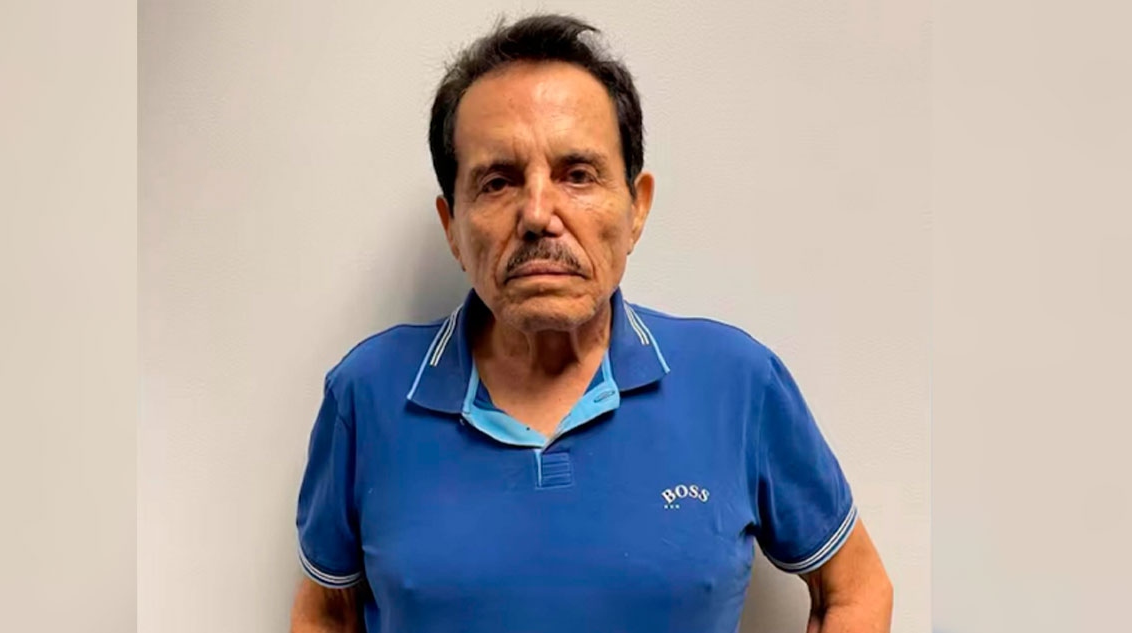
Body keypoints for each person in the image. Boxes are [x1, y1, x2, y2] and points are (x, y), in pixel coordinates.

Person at [289, 13, 892, 633]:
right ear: (452, 226)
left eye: (577, 175)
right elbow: (325, 613)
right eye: (498, 182)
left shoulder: (737, 383)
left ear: (637, 208)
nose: (538, 214)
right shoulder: (367, 395)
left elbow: (856, 588)